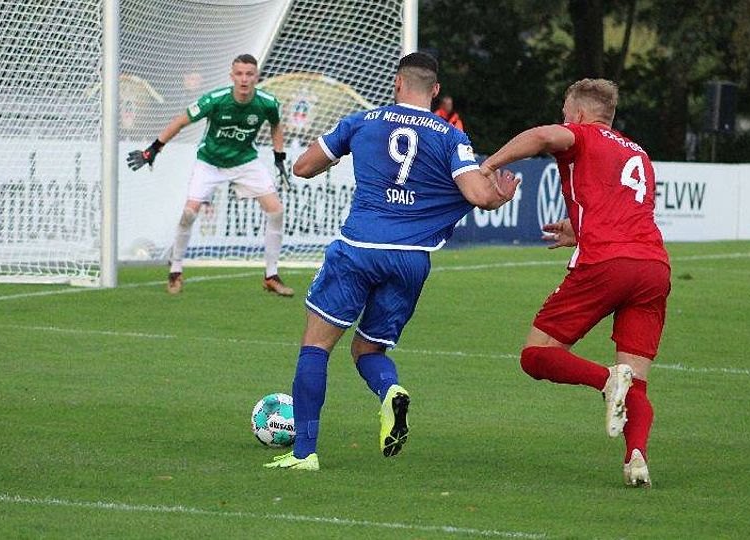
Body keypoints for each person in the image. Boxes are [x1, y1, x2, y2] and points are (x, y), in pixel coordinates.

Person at [264, 52, 520, 471]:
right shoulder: (450, 136)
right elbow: (479, 195)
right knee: (368, 349)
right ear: (435, 90)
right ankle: (390, 391)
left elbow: (303, 166)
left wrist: (339, 153)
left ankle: (304, 452)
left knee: (316, 347)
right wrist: (498, 196)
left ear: (397, 82)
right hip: (410, 260)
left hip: (358, 249)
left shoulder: (362, 121)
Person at [480, 79, 670, 487]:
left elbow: (541, 136)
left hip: (607, 263)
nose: (563, 120)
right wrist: (578, 228)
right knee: (636, 381)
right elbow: (620, 210)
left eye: (565, 113)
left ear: (580, 115)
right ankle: (636, 457)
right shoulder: (637, 152)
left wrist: (488, 166)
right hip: (653, 267)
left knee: (536, 356)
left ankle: (605, 380)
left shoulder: (582, 135)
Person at [127, 54, 294, 296]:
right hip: (210, 162)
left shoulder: (267, 103)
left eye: (249, 74)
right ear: (231, 76)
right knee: (189, 213)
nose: (244, 79)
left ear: (257, 77)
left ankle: (271, 275)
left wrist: (279, 156)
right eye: (239, 74)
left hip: (245, 160)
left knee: (276, 210)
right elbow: (181, 121)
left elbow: (276, 124)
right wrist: (153, 149)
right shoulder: (215, 100)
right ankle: (175, 270)